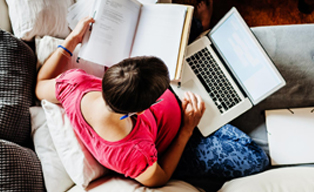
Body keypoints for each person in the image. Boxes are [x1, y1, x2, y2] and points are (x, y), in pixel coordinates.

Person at [35, 15, 269, 188]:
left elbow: (40, 84)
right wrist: (187, 129)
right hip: (181, 138)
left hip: (174, 95)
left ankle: (201, 29)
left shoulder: (74, 83)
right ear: (141, 110)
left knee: (187, 20)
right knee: (255, 160)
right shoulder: (133, 153)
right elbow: (161, 177)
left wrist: (73, 40)